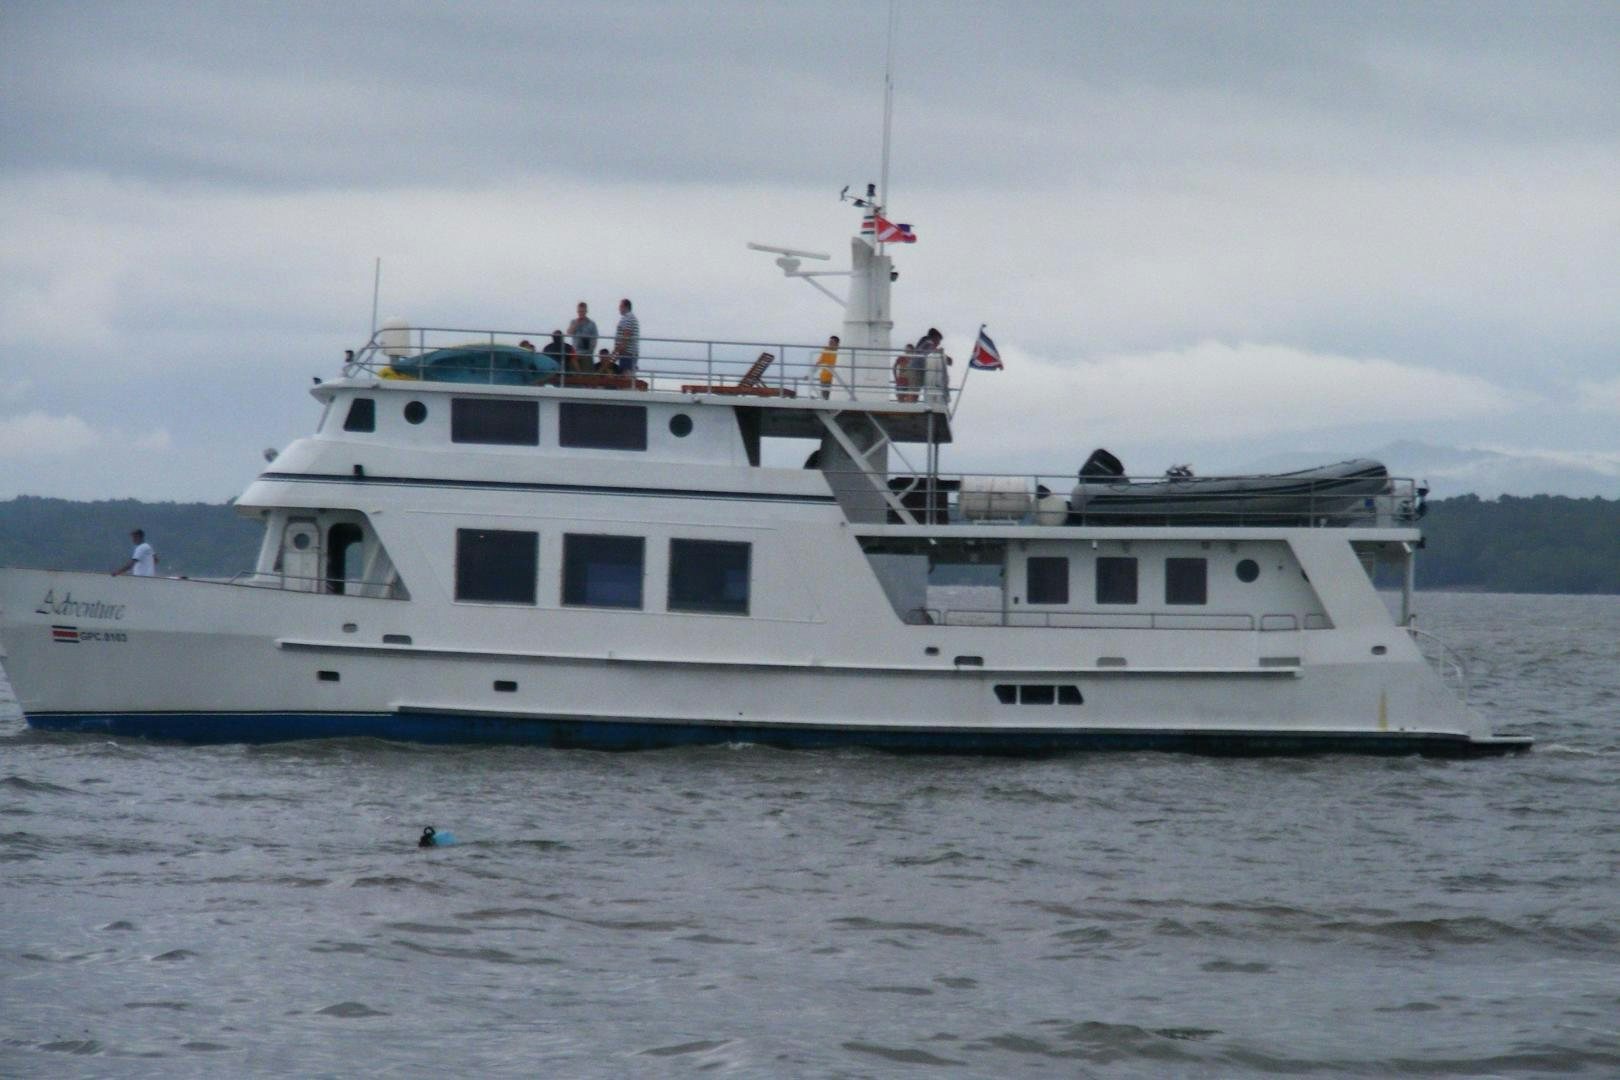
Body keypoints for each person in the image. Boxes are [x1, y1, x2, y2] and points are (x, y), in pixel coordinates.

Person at [612, 298, 640, 374]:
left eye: (620, 306)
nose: (619, 308)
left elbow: (626, 337)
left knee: (626, 376)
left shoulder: (628, 318)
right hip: (628, 353)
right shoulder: (630, 318)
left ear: (626, 307)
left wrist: (614, 354)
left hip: (627, 353)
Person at [813, 334, 840, 398]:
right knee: (825, 397)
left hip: (835, 378)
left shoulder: (840, 352)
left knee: (835, 396)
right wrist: (810, 373)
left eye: (832, 342)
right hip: (825, 378)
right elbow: (819, 362)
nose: (830, 344)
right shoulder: (826, 351)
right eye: (829, 342)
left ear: (837, 343)